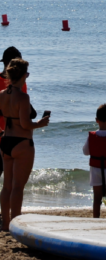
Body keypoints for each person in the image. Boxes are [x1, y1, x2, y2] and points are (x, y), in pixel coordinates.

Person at [0, 58, 49, 231]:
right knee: (18, 187)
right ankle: (15, 224)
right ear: (23, 76)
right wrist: (40, 124)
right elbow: (26, 124)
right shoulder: (23, 97)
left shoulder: (1, 95)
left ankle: (5, 223)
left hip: (5, 141)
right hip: (22, 142)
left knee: (7, 186)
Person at [0, 47, 28, 176]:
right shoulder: (21, 84)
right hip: (12, 138)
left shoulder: (22, 83)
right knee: (11, 182)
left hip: (9, 137)